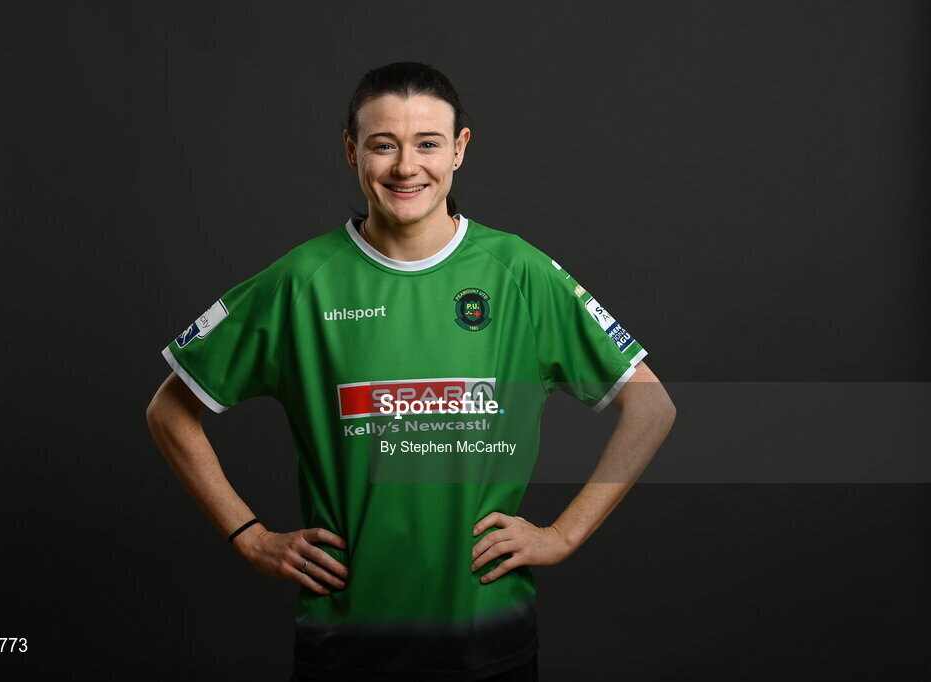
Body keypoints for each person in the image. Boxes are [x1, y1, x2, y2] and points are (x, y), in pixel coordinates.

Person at [146, 61, 676, 681]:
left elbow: (651, 407)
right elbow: (169, 411)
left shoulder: (520, 273)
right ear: (352, 151)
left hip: (489, 643)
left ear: (459, 150)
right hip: (344, 647)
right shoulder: (301, 282)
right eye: (383, 145)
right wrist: (250, 535)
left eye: (427, 143)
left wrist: (563, 535)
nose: (406, 166)